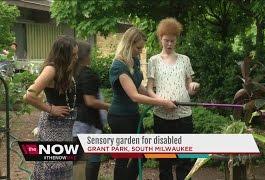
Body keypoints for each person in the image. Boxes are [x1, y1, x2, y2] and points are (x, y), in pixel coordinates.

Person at [108, 26, 176, 180]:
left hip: (133, 116)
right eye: (138, 48)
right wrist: (162, 103)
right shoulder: (119, 66)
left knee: (141, 154)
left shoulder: (134, 61)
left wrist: (160, 98)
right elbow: (134, 96)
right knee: (123, 158)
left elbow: (139, 87)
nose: (140, 51)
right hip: (120, 118)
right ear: (129, 44)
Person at [146, 17, 200, 180]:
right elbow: (149, 89)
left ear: (176, 40)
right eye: (166, 40)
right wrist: (161, 102)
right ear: (160, 38)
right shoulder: (153, 60)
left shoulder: (185, 59)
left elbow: (189, 88)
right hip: (161, 116)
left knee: (184, 158)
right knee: (164, 159)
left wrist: (193, 87)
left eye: (172, 41)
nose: (169, 44)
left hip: (184, 115)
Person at [23, 35, 78, 180]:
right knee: (52, 168)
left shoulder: (64, 69)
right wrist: (51, 109)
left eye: (76, 54)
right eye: (73, 55)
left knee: (63, 167)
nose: (76, 58)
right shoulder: (51, 69)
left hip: (64, 129)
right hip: (53, 128)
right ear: (63, 55)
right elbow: (29, 95)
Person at [72, 41, 110, 180]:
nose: (91, 57)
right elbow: (90, 101)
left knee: (75, 158)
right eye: (90, 54)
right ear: (85, 55)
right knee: (92, 157)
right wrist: (111, 106)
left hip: (74, 120)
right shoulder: (87, 74)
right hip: (88, 122)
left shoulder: (71, 72)